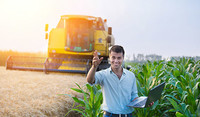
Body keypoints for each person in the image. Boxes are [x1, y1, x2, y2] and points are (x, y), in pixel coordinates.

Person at [86, 45, 153, 117]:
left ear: (123, 58)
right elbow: (90, 80)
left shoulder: (131, 76)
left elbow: (134, 97)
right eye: (113, 57)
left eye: (119, 58)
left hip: (128, 115)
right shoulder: (103, 75)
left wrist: (144, 102)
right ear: (109, 57)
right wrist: (94, 67)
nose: (116, 61)